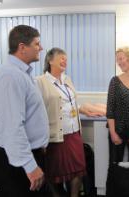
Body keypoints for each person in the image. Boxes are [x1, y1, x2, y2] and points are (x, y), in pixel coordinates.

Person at [0, 25, 50, 197]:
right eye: (37, 44)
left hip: (26, 154)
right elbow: (12, 127)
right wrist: (30, 166)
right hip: (13, 159)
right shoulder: (9, 77)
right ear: (22, 47)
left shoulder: (22, 74)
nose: (41, 48)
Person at [36, 47, 86, 197]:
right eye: (61, 57)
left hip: (74, 133)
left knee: (78, 171)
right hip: (56, 137)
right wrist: (41, 140)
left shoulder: (67, 79)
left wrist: (88, 109)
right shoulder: (41, 82)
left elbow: (71, 104)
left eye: (66, 58)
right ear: (50, 60)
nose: (65, 60)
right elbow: (39, 112)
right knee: (55, 173)